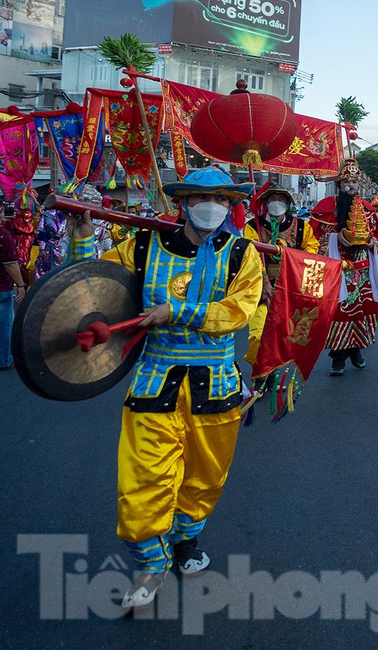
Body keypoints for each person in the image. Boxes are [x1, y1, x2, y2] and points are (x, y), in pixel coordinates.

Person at [66, 167, 261, 608]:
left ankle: (185, 540)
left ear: (231, 207)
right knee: (141, 479)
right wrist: (82, 237)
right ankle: (151, 562)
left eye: (224, 201)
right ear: (184, 203)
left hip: (218, 388)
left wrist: (176, 311)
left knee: (205, 478)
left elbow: (238, 311)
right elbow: (87, 289)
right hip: (155, 383)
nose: (214, 208)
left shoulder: (241, 253)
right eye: (201, 199)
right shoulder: (141, 246)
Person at [309, 159, 378, 376]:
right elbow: (311, 237)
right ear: (339, 183)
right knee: (338, 312)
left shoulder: (368, 210)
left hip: (361, 270)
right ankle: (337, 355)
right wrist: (335, 238)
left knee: (362, 310)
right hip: (336, 270)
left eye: (354, 181)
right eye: (347, 181)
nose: (351, 185)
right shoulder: (326, 207)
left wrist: (372, 242)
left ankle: (356, 349)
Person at [243, 184, 317, 365]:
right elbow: (250, 255)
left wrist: (294, 261)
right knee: (258, 335)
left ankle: (273, 370)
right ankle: (260, 370)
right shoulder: (254, 225)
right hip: (261, 288)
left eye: (281, 199)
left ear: (288, 203)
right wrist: (264, 281)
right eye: (273, 199)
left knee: (283, 335)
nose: (277, 202)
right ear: (266, 202)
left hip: (289, 288)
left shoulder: (300, 226)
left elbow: (311, 250)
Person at [0, 204, 25, 371]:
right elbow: (10, 264)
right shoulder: (2, 235)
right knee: (4, 324)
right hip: (2, 287)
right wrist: (21, 285)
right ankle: (5, 359)